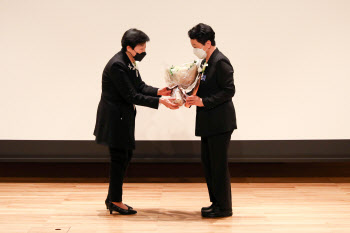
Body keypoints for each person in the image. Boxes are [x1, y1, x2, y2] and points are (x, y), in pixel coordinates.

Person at [93, 28, 179, 215]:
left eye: (144, 47)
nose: (143, 51)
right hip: (114, 119)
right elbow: (131, 95)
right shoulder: (117, 65)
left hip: (123, 118)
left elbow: (139, 86)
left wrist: (159, 91)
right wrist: (160, 102)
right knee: (119, 158)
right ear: (129, 47)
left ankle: (112, 198)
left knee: (125, 157)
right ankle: (115, 200)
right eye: (141, 48)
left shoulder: (129, 62)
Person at [186, 23, 237, 218]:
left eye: (196, 45)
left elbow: (229, 91)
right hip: (208, 121)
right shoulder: (206, 61)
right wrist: (189, 97)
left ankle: (224, 208)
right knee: (208, 164)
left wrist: (203, 101)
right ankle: (215, 202)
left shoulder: (221, 61)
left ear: (208, 43)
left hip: (220, 123)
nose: (194, 49)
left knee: (218, 165)